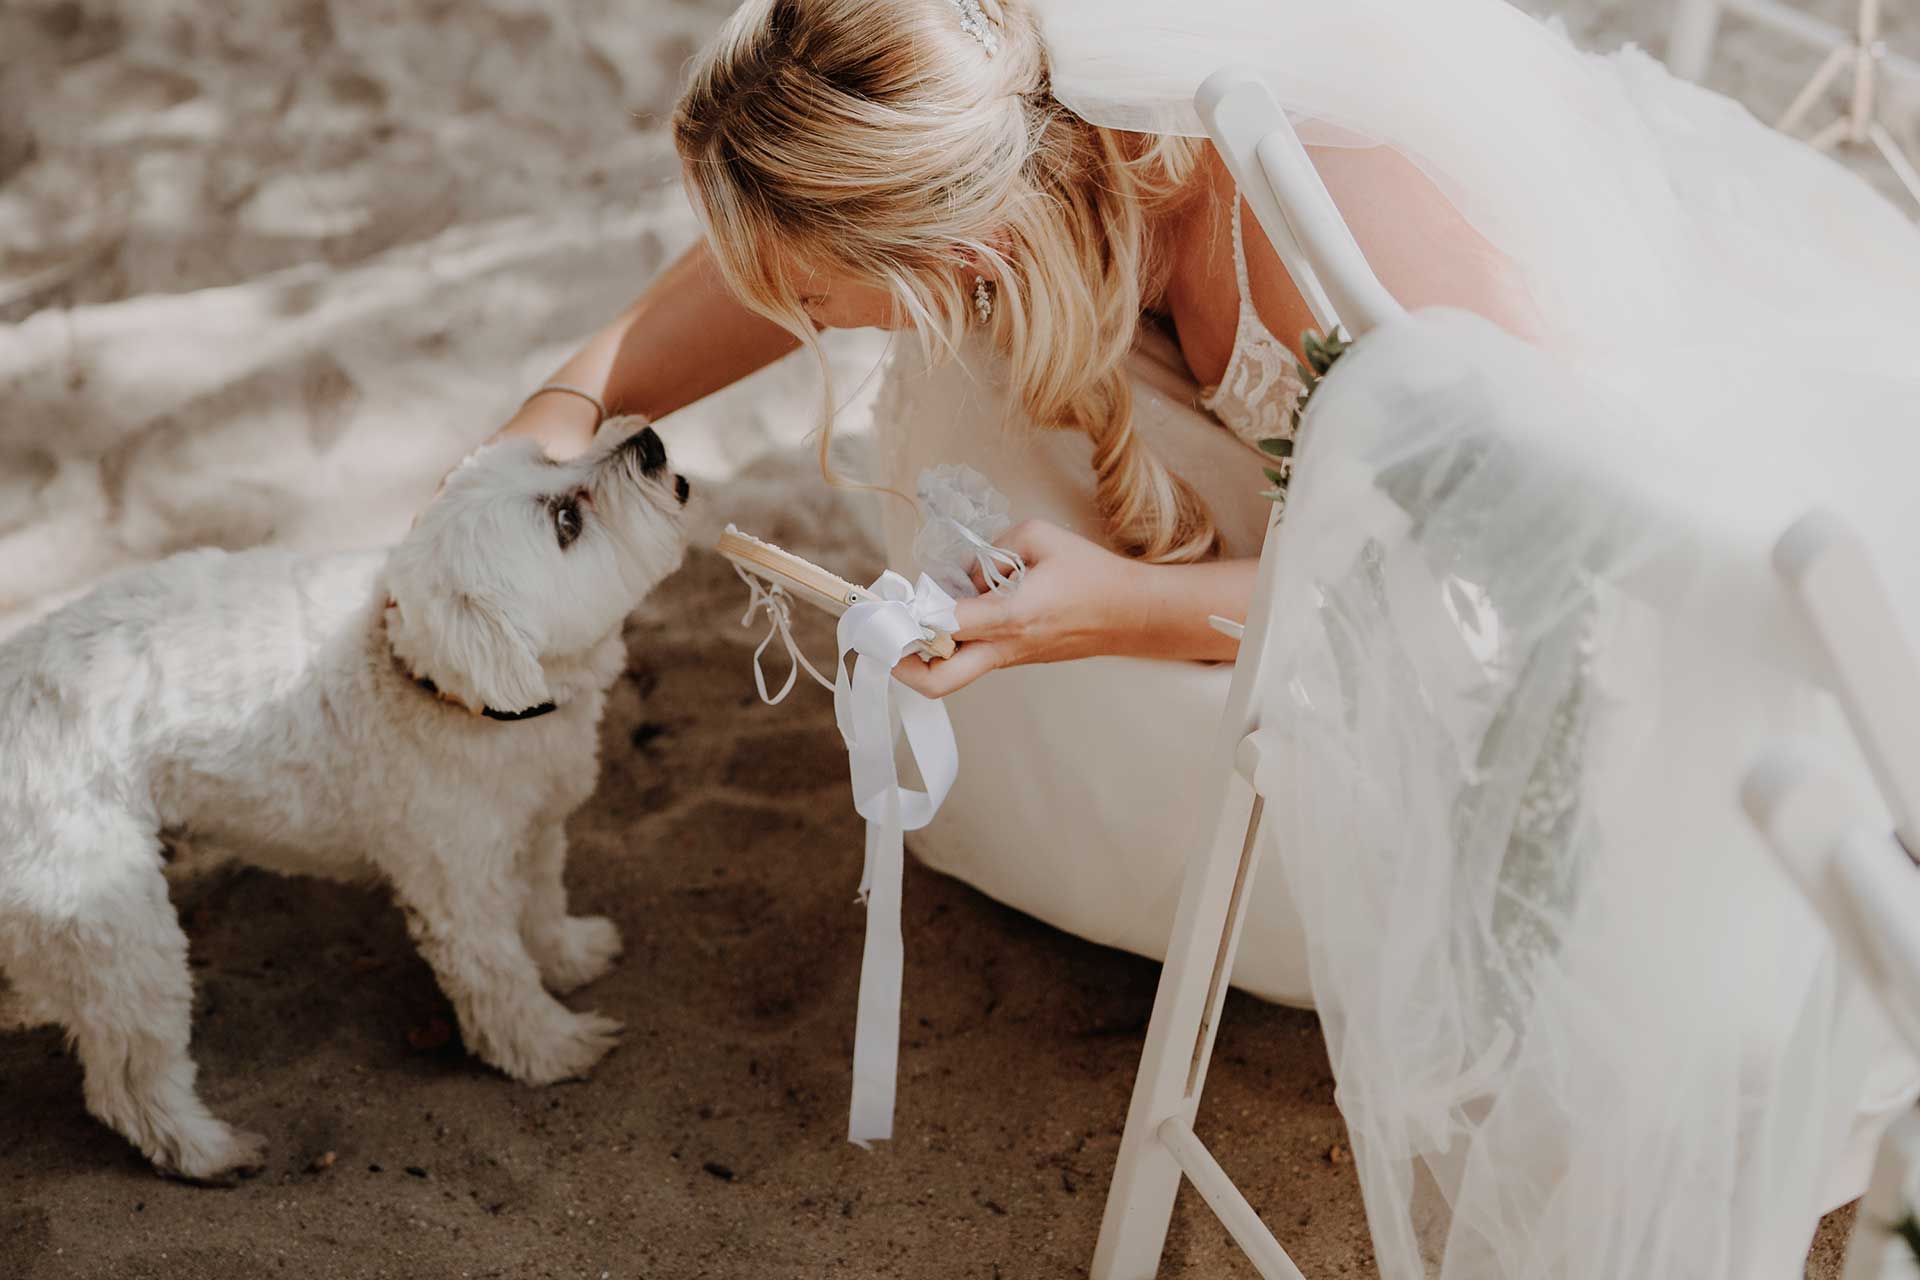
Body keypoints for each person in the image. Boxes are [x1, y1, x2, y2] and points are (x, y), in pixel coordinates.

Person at [472, 0, 1920, 1271]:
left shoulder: (1322, 232)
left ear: (963, 234)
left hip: (1606, 605)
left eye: (809, 298)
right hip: (1375, 508)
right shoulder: (1012, 95)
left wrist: (1124, 606)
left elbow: (1527, 588)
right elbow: (784, 246)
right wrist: (576, 397)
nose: (794, 319)